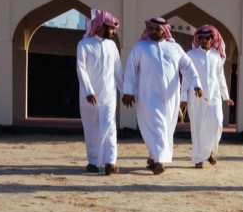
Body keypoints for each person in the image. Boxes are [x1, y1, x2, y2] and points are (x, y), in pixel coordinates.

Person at [122, 17, 203, 175]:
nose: (153, 31)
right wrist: (128, 91)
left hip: (170, 97)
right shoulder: (140, 47)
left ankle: (153, 158)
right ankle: (159, 162)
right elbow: (130, 69)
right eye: (151, 28)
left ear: (164, 30)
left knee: (166, 128)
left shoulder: (175, 48)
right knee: (158, 126)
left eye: (157, 29)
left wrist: (196, 84)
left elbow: (188, 67)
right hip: (148, 96)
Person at [76, 9, 124, 175]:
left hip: (109, 95)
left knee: (110, 126)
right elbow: (81, 69)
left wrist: (125, 91)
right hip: (89, 96)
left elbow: (118, 71)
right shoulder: (84, 45)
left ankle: (111, 162)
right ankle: (93, 161)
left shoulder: (112, 46)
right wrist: (88, 90)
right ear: (100, 27)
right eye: (111, 28)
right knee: (92, 127)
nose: (113, 31)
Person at [186, 25, 234, 169]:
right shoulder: (191, 55)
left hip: (214, 97)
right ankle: (198, 158)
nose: (203, 40)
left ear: (212, 39)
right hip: (196, 97)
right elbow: (187, 77)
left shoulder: (216, 56)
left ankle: (210, 151)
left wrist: (226, 96)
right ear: (197, 39)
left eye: (207, 38)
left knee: (218, 122)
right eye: (201, 38)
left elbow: (220, 77)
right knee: (198, 126)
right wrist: (183, 98)